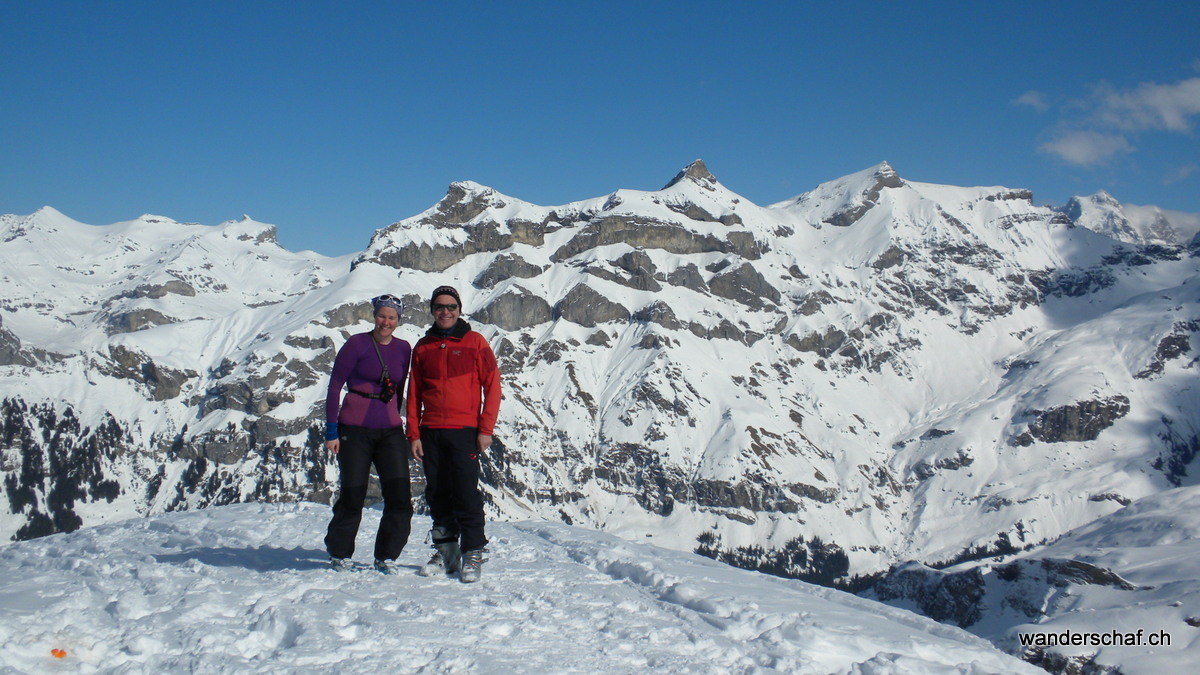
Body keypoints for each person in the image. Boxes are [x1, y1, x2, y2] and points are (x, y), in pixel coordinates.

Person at [407, 285, 501, 583]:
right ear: (432, 311)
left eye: (451, 307)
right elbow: (414, 393)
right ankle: (447, 551)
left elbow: (493, 387)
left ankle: (472, 550)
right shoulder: (423, 347)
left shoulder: (474, 342)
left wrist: (485, 429)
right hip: (431, 430)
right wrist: (413, 433)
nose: (445, 312)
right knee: (437, 492)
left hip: (464, 430)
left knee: (464, 491)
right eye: (439, 307)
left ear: (460, 310)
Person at [323, 294, 414, 574]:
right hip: (354, 428)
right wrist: (331, 430)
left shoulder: (403, 348)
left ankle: (387, 556)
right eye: (382, 315)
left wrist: (401, 419)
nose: (386, 322)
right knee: (353, 493)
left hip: (389, 430)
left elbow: (400, 387)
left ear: (398, 321)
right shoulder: (357, 344)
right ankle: (339, 551)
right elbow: (335, 386)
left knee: (399, 495)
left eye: (392, 317)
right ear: (374, 316)